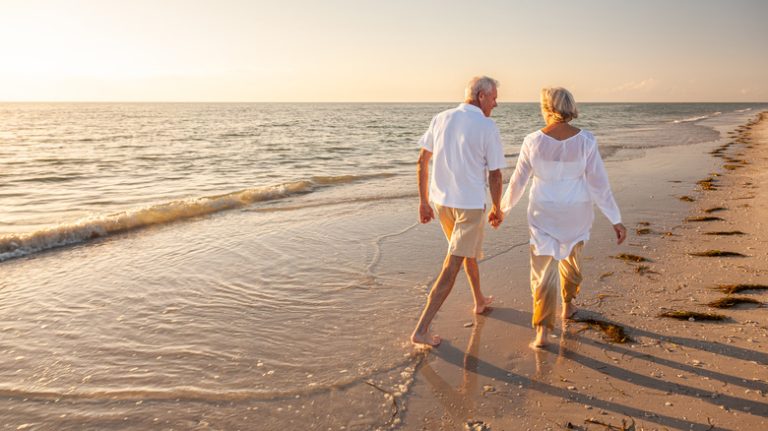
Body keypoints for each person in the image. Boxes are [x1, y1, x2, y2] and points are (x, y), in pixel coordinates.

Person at [501, 87, 627, 348]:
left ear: (547, 107)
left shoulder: (532, 141)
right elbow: (599, 184)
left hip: (543, 213)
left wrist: (501, 209)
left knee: (543, 272)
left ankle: (542, 333)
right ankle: (567, 307)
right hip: (576, 213)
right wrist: (615, 218)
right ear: (569, 106)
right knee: (571, 262)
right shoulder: (586, 140)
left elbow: (517, 183)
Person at [411, 76, 506, 347]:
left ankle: (478, 300)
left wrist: (423, 201)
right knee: (452, 264)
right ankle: (421, 329)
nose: (496, 103)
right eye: (494, 97)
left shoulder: (440, 118)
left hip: (441, 203)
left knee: (466, 252)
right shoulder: (487, 126)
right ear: (480, 96)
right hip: (469, 207)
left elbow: (422, 162)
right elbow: (496, 174)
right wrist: (498, 207)